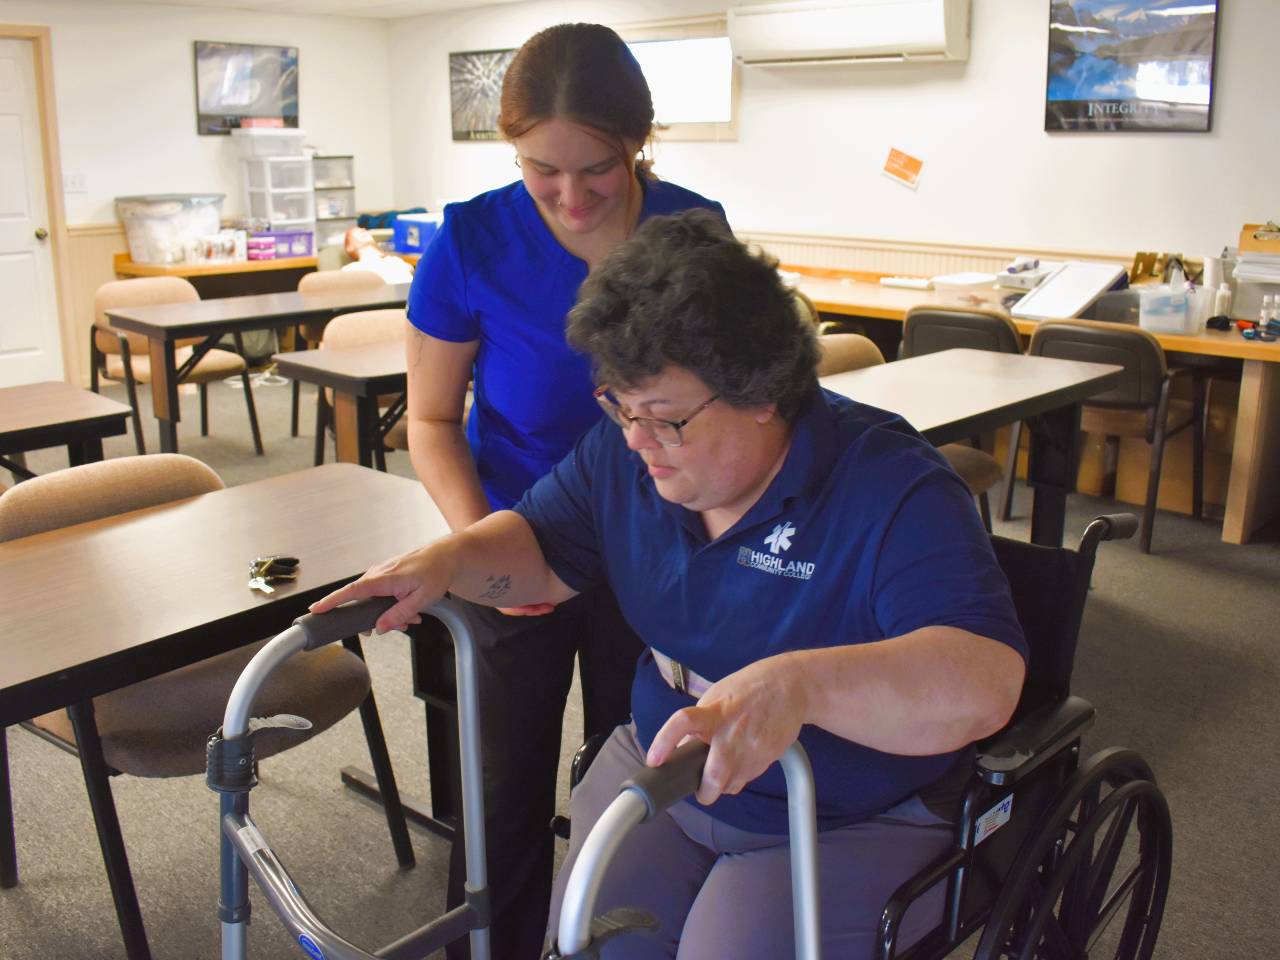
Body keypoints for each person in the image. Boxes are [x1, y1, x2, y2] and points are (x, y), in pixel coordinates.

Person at [314, 209, 1029, 959]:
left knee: (724, 944)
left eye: (664, 419)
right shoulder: (627, 456)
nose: (634, 440)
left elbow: (985, 682)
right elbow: (544, 547)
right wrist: (446, 562)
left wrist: (803, 686)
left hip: (842, 808)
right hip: (670, 763)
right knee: (589, 937)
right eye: (617, 407)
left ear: (764, 394)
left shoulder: (892, 488)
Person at [400, 22, 726, 959]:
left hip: (658, 551)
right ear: (512, 150)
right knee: (501, 790)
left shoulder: (693, 232)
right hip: (515, 541)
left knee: (633, 783)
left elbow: (730, 404)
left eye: (600, 168)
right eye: (545, 170)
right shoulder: (472, 240)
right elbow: (429, 423)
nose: (573, 196)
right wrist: (480, 542)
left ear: (638, 144)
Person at [341, 226, 416, 284]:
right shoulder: (350, 270)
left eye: (364, 230)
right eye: (356, 232)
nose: (363, 230)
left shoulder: (395, 261)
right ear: (349, 247)